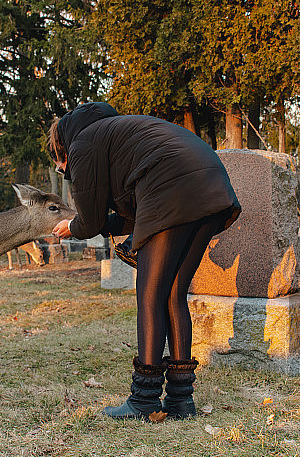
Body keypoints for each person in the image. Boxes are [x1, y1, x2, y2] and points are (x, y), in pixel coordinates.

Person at [48, 102, 241, 421]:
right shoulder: (123, 135)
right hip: (212, 189)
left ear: (62, 147)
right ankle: (181, 400)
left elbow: (91, 220)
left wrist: (73, 227)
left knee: (150, 296)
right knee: (173, 295)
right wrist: (93, 224)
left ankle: (144, 398)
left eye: (61, 166)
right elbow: (132, 215)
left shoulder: (83, 143)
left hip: (171, 191)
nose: (64, 171)